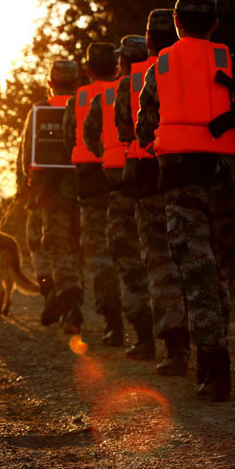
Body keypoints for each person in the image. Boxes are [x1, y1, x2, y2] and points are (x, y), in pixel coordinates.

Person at [136, 0, 235, 400]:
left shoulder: (158, 68)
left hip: (181, 183)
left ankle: (214, 367)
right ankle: (215, 359)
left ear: (176, 22)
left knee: (197, 275)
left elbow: (143, 132)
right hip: (227, 182)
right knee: (219, 274)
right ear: (213, 23)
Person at [115, 10, 190, 373]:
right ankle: (210, 352)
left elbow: (127, 130)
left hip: (149, 175)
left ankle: (173, 349)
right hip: (201, 171)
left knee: (159, 263)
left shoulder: (137, 79)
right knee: (197, 263)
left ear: (148, 40)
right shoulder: (212, 62)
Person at [81, 35, 155, 355]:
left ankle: (137, 334)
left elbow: (89, 135)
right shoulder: (165, 77)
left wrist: (111, 157)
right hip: (162, 178)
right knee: (160, 259)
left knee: (125, 260)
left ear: (122, 63)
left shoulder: (109, 94)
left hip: (120, 183)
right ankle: (177, 344)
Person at [59, 43, 124, 342]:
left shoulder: (79, 99)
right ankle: (143, 323)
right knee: (131, 252)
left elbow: (67, 137)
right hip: (126, 179)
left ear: (87, 70)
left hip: (89, 185)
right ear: (117, 67)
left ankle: (114, 324)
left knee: (99, 255)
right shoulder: (129, 90)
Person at [16, 59, 84, 330]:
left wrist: (24, 190)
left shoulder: (38, 111)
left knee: (41, 244)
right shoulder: (84, 106)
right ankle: (67, 306)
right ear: (76, 84)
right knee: (72, 246)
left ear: (50, 83)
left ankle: (62, 300)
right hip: (81, 187)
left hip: (46, 191)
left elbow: (26, 153)